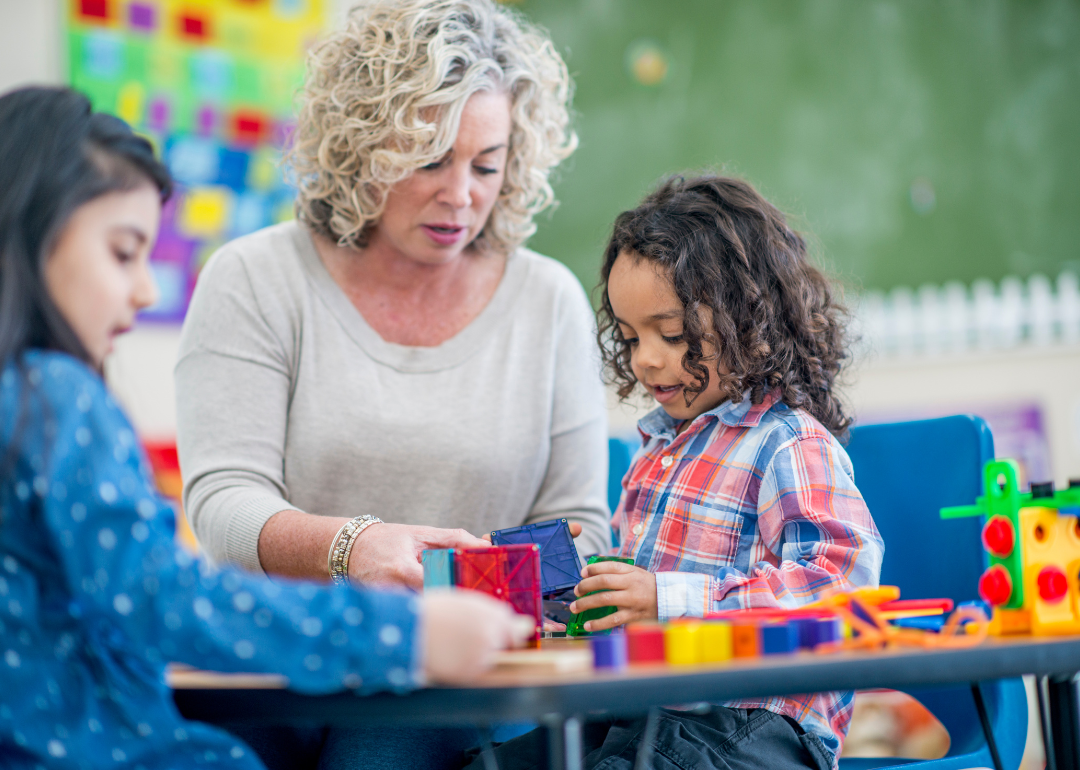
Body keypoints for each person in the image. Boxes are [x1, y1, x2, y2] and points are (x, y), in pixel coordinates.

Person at [0, 85, 533, 770]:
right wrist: (407, 634)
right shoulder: (54, 400)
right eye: (123, 252)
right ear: (32, 234)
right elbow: (166, 596)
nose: (145, 290)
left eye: (486, 166)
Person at [175, 0, 609, 594]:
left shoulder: (549, 299)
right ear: (360, 148)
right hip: (300, 663)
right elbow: (224, 506)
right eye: (429, 160)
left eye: (486, 166)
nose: (459, 196)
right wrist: (352, 547)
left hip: (494, 666)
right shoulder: (255, 277)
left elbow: (581, 528)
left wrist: (466, 592)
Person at [468, 175, 885, 770]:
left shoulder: (787, 442)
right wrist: (578, 611)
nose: (645, 359)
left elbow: (842, 591)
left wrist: (669, 599)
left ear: (750, 319)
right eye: (631, 336)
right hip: (648, 713)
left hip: (759, 727)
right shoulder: (655, 452)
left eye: (671, 333)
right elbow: (636, 610)